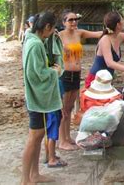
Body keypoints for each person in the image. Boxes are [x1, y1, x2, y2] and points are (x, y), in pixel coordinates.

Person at [21, 12, 63, 184]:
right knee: (34, 137)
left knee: (38, 136)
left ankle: (35, 174)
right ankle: (25, 179)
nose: (53, 33)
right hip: (35, 98)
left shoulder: (35, 40)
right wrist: (54, 71)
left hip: (38, 98)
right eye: (53, 29)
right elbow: (35, 74)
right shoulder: (35, 45)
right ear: (47, 27)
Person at [58, 10, 103, 151]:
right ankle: (62, 140)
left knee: (70, 108)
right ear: (64, 22)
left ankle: (67, 137)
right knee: (63, 110)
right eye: (70, 20)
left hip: (76, 74)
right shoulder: (59, 36)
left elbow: (98, 34)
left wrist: (110, 28)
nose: (74, 22)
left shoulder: (79, 33)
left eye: (75, 19)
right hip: (65, 74)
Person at [44, 30, 67, 168]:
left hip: (50, 105)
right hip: (53, 106)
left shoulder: (53, 77)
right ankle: (52, 158)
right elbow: (60, 95)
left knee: (49, 131)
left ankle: (49, 155)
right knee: (52, 132)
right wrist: (62, 107)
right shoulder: (54, 78)